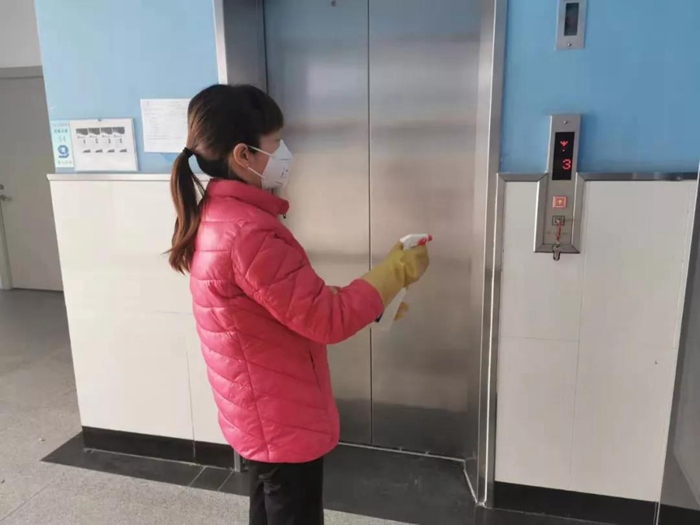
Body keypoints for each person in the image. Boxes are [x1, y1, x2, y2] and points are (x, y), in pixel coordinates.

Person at [168, 84, 430, 525]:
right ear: (243, 155)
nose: (285, 152)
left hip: (260, 406)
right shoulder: (250, 232)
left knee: (269, 505)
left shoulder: (223, 216)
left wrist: (375, 300)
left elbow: (285, 303)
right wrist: (393, 274)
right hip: (281, 414)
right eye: (275, 143)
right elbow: (326, 321)